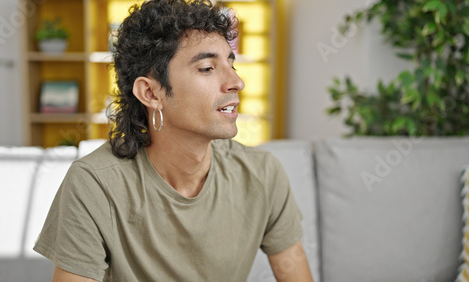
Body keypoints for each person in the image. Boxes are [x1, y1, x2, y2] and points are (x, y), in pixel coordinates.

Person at [33, 0, 313, 281]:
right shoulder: (94, 184)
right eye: (207, 68)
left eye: (231, 63)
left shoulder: (262, 174)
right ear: (152, 94)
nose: (236, 82)